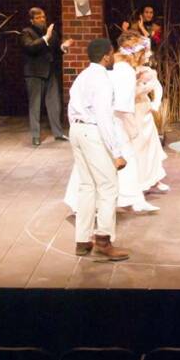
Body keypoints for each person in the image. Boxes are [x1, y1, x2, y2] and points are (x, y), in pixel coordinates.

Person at [69, 38, 131, 260]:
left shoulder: (82, 76)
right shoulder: (102, 80)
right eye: (112, 53)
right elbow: (104, 118)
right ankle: (103, 241)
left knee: (86, 186)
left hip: (77, 131)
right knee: (108, 186)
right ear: (106, 56)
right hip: (93, 132)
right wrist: (117, 153)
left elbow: (71, 106)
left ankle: (82, 240)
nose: (113, 57)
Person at [111, 33, 159, 213]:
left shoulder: (119, 67)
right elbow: (124, 105)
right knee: (128, 159)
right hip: (118, 122)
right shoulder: (125, 71)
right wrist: (133, 130)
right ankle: (132, 199)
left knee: (128, 162)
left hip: (116, 120)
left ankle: (133, 199)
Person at [21, 7, 73, 147]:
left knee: (54, 103)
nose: (42, 20)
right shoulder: (27, 32)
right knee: (35, 105)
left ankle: (58, 133)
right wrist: (45, 38)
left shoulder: (51, 33)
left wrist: (64, 47)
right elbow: (30, 47)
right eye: (38, 18)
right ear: (32, 20)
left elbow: (56, 50)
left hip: (50, 71)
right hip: (35, 73)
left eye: (43, 17)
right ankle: (36, 135)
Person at [133, 47, 169, 193]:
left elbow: (158, 88)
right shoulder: (130, 72)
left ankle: (156, 177)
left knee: (151, 143)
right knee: (137, 144)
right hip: (133, 109)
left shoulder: (149, 71)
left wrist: (156, 103)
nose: (147, 57)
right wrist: (142, 84)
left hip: (145, 108)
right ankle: (139, 178)